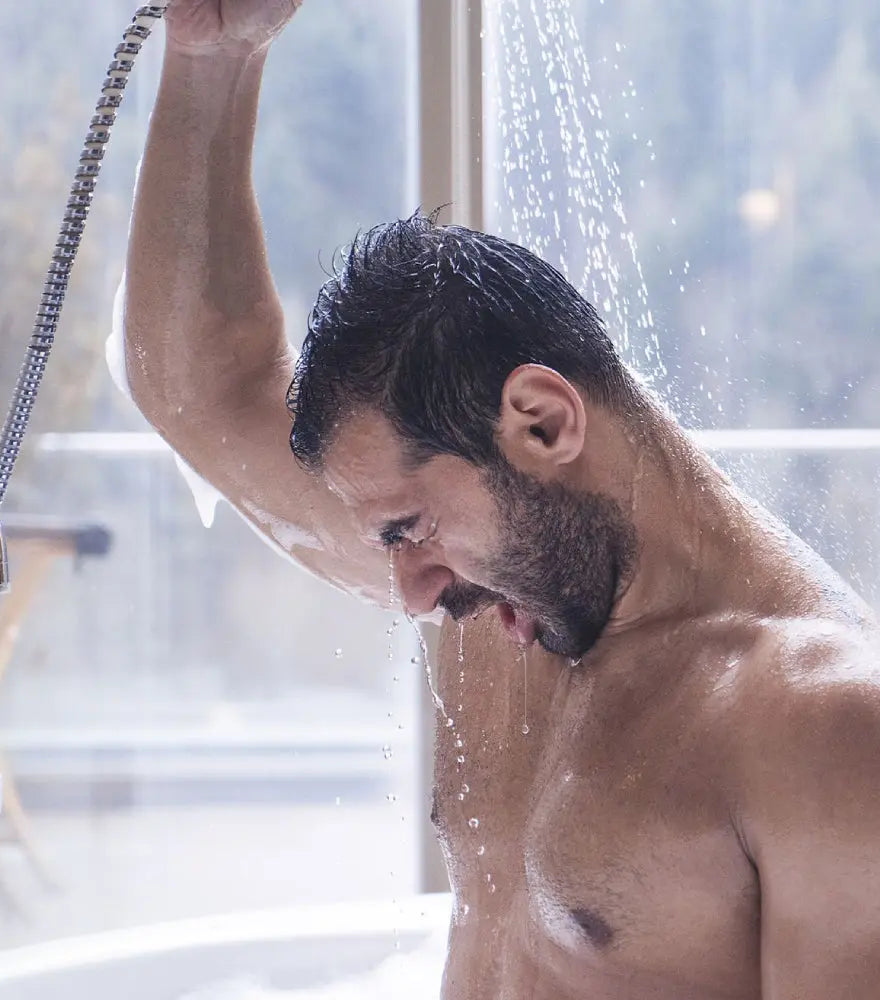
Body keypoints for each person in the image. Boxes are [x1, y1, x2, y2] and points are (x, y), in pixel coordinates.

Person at [121, 1, 880, 996]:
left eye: (408, 527)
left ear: (541, 423)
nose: (404, 588)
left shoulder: (817, 730)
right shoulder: (495, 589)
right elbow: (201, 392)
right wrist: (215, 52)